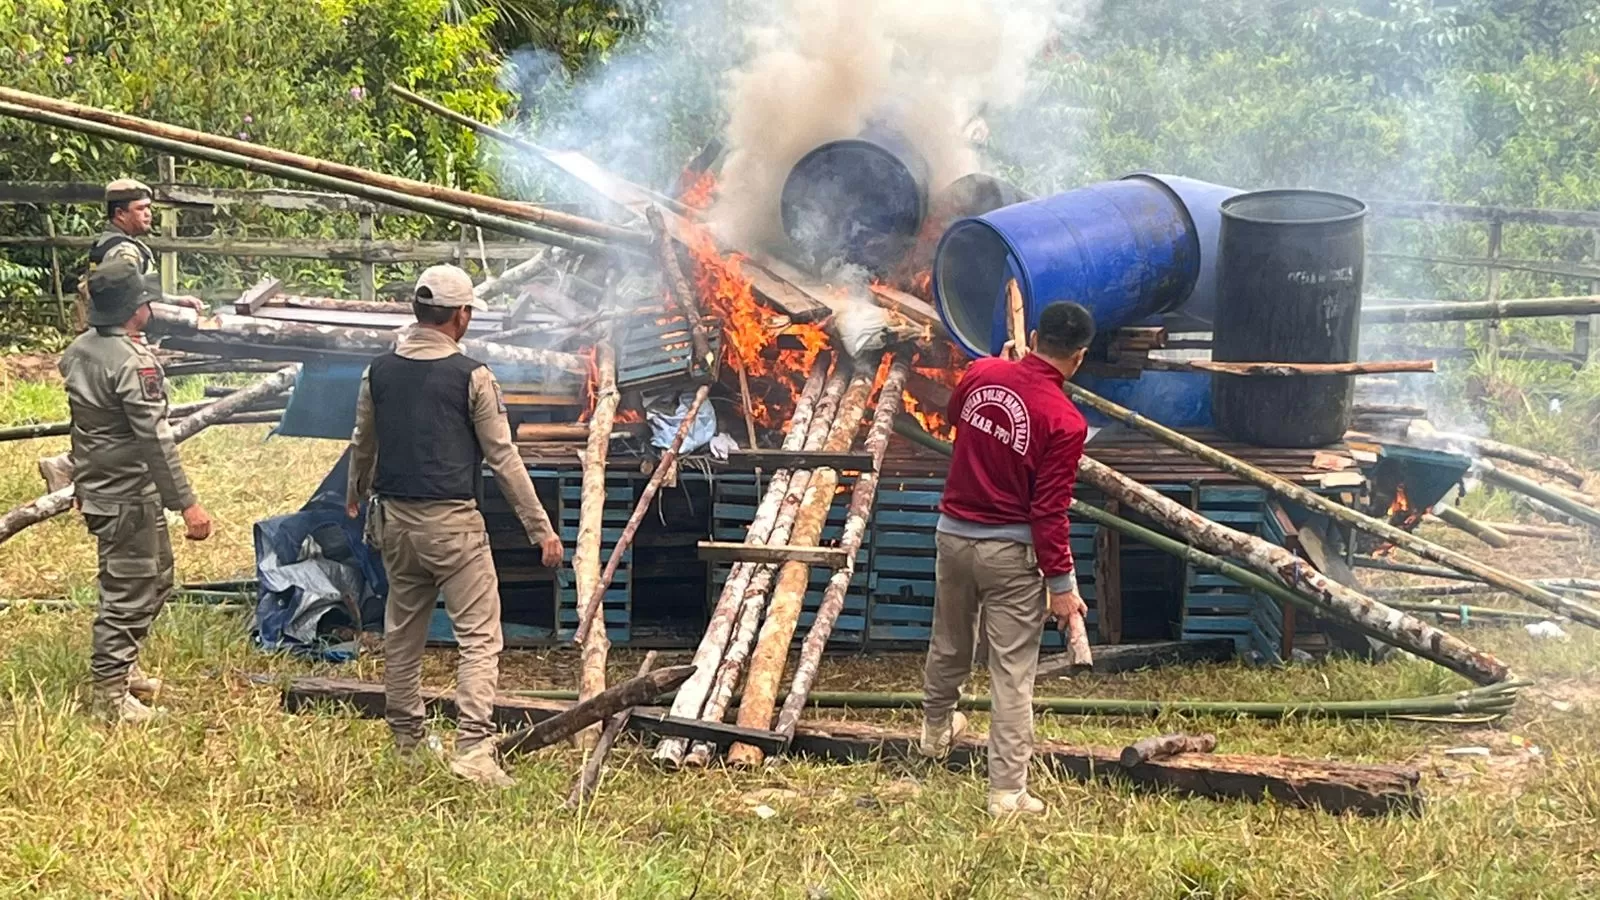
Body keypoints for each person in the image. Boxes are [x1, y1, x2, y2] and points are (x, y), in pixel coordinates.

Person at [345, 264, 563, 788]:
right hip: (454, 527)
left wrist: (354, 494)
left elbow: (363, 441)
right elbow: (504, 459)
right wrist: (541, 529)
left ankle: (407, 741)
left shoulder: (378, 372)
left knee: (402, 634)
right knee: (480, 638)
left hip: (394, 521)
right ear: (461, 316)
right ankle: (472, 747)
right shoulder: (473, 376)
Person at [919, 300, 1095, 817]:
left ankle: (934, 732)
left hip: (952, 538)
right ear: (1079, 357)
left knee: (949, 638)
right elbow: (1049, 510)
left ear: (1034, 337)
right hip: (1010, 553)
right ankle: (1006, 792)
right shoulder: (1066, 420)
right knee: (1012, 671)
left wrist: (995, 372)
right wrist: (1062, 586)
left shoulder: (982, 372)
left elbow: (954, 416)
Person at [60, 256, 214, 724]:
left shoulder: (80, 349)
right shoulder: (133, 364)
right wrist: (187, 504)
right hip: (126, 491)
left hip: (104, 485)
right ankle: (109, 696)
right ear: (136, 308)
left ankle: (124, 667)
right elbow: (155, 438)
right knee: (129, 589)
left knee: (157, 576)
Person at [75, 179, 204, 329]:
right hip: (126, 333)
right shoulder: (124, 253)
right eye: (140, 209)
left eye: (149, 207)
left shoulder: (107, 243)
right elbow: (122, 303)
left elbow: (137, 294)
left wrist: (175, 300)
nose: (148, 214)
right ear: (120, 214)